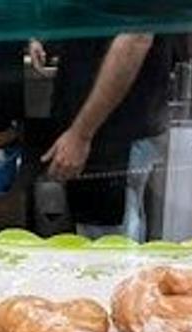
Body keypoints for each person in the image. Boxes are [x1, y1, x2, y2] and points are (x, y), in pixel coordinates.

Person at [31, 34, 172, 241]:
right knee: (108, 230)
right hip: (100, 130)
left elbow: (135, 40)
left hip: (114, 133)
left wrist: (81, 135)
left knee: (110, 239)